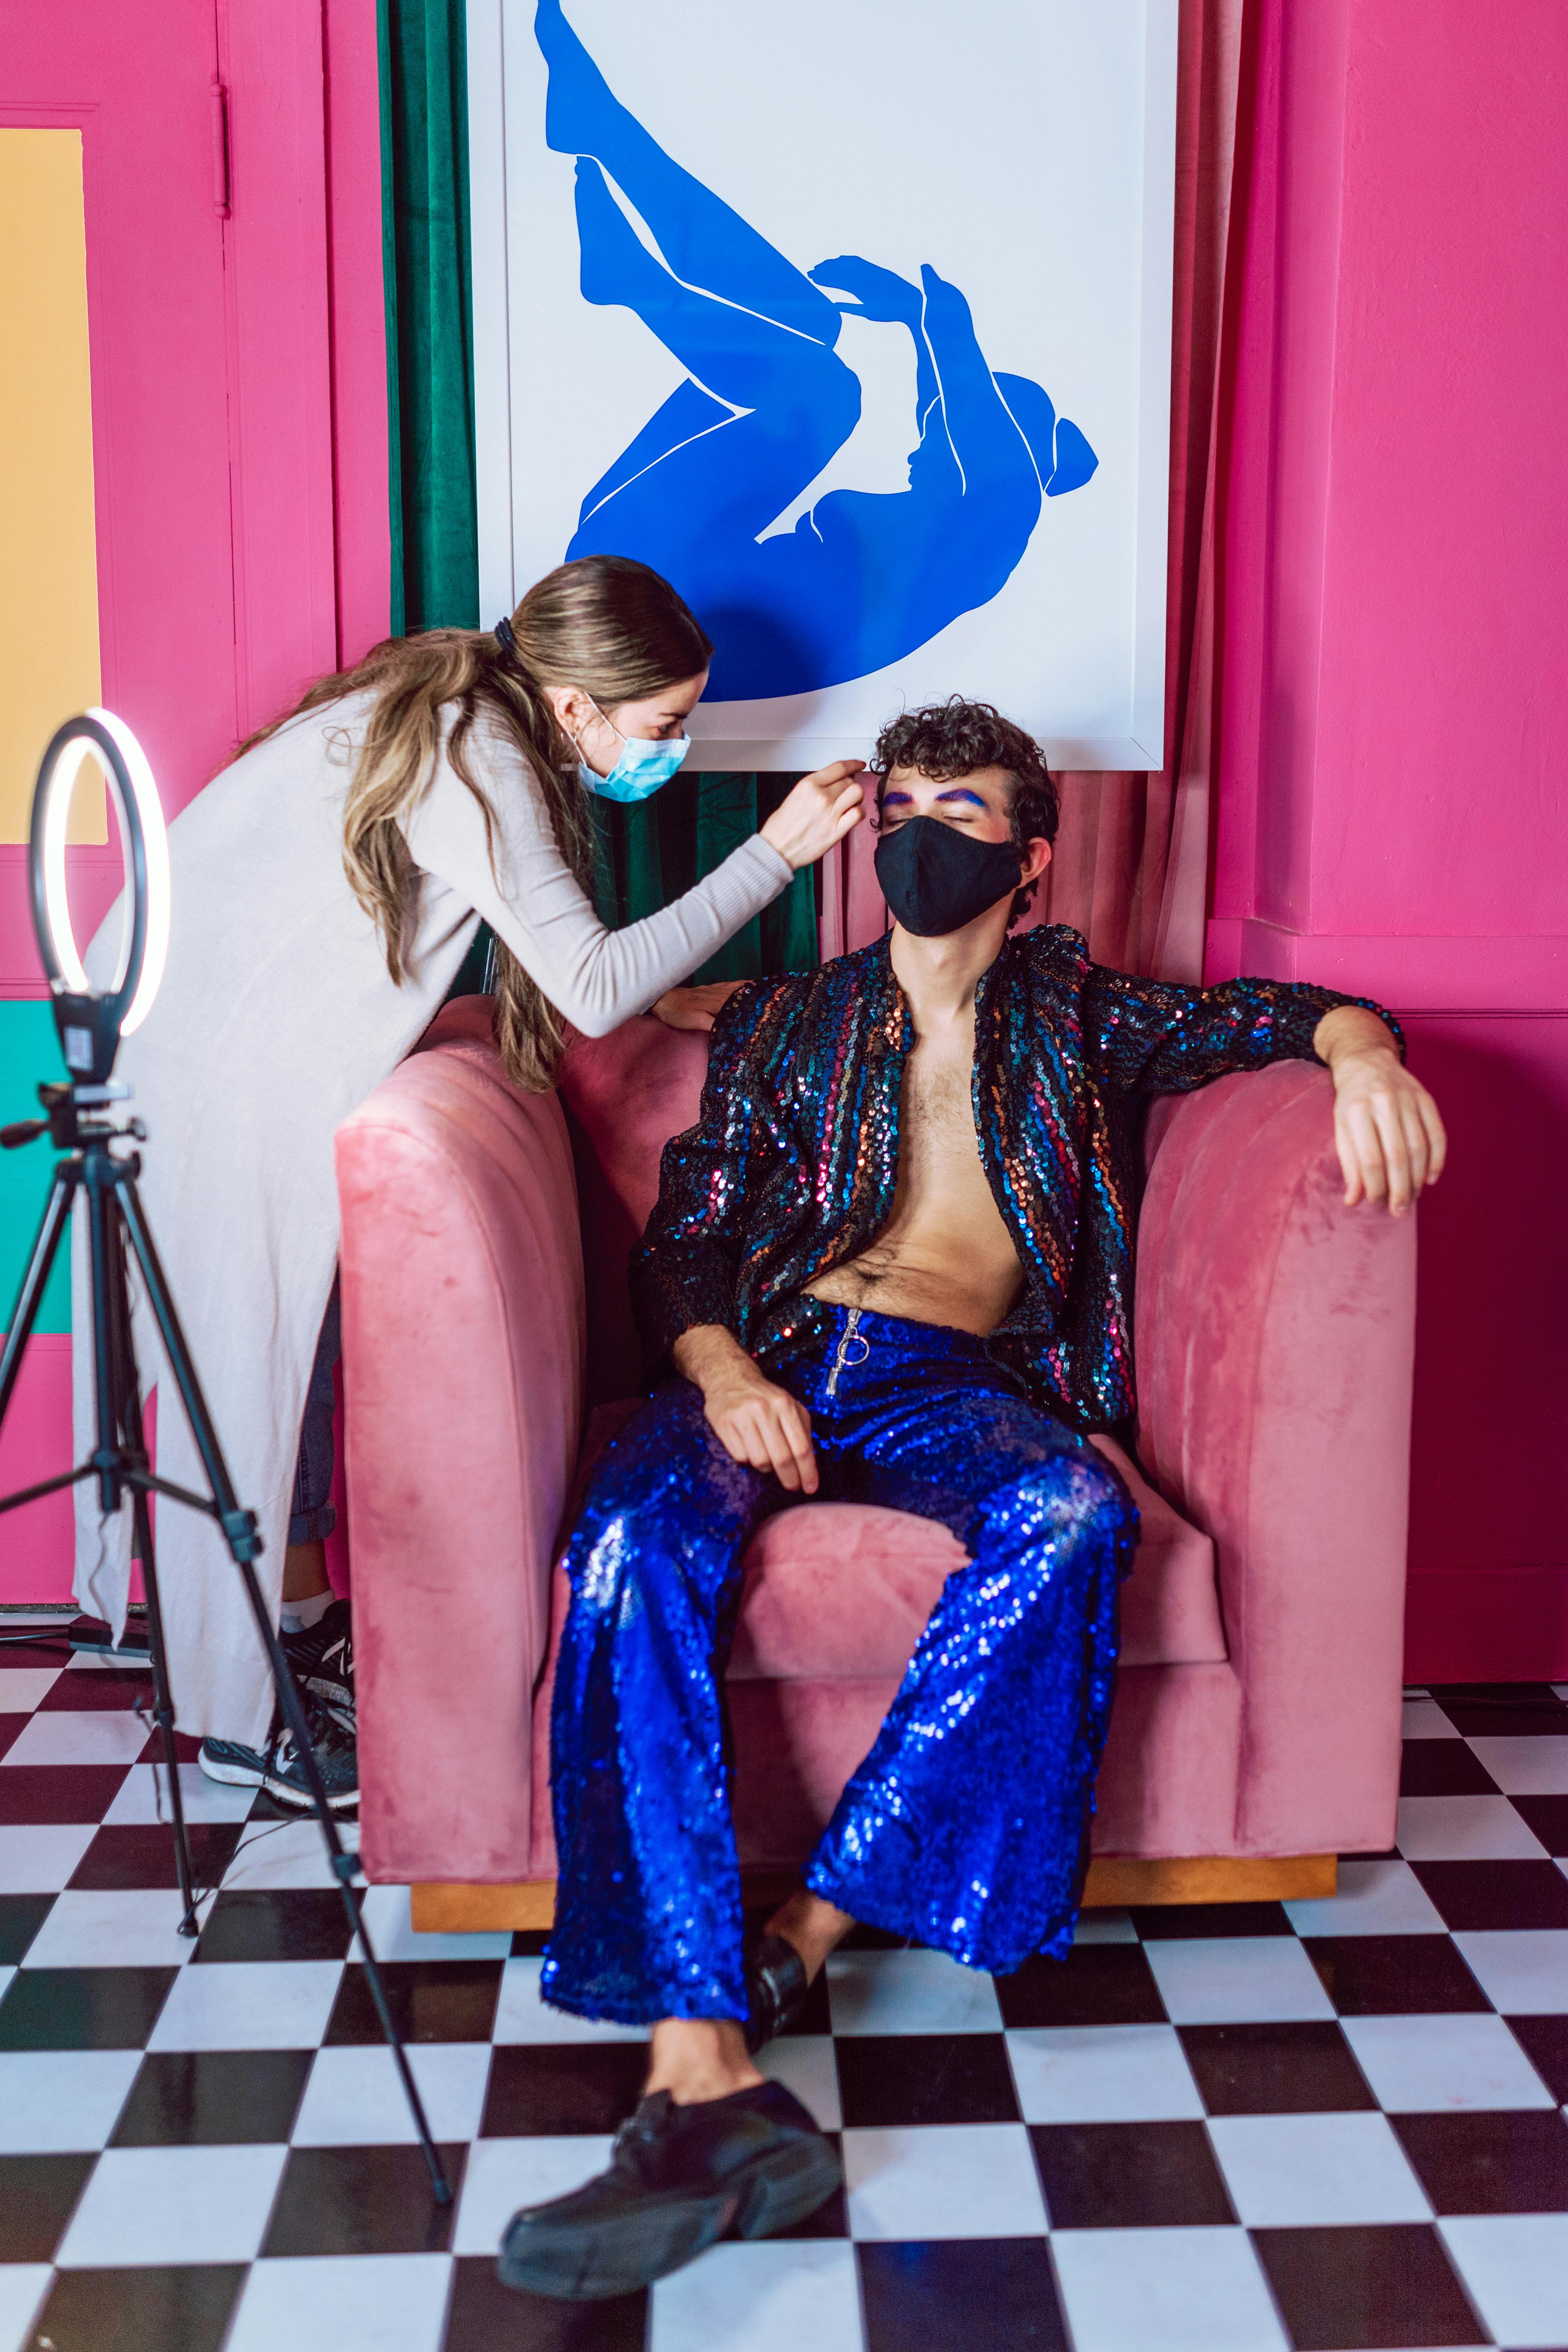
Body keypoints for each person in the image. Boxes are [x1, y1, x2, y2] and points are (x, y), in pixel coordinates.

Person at [498, 697, 1447, 2302]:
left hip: (954, 1382)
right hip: (772, 1357)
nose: (921, 834)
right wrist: (727, 1373)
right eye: (905, 805)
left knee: (1077, 1520)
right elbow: (688, 1239)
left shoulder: (1084, 1015)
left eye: (962, 808)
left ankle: (796, 1937)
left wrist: (1363, 1048)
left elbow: (1278, 1013)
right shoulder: (785, 1020)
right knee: (625, 1546)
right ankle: (700, 2058)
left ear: (1029, 852)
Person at [69, 554, 863, 1808]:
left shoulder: (467, 714)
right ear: (576, 707)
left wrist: (658, 979)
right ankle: (233, 1722)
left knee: (289, 1348)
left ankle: (291, 1626)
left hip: (179, 1037)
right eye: (661, 726)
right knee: (244, 1360)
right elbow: (587, 986)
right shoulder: (476, 748)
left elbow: (546, 952)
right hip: (193, 1064)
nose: (670, 750)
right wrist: (774, 850)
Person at [537, 0, 1096, 700]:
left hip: (634, 596)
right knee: (805, 331)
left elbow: (976, 427)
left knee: (823, 391)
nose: (919, 446)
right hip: (639, 570)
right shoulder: (961, 530)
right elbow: (959, 417)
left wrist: (933, 319)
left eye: (937, 432)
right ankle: (609, 158)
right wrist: (911, 326)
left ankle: (627, 242)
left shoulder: (1001, 518)